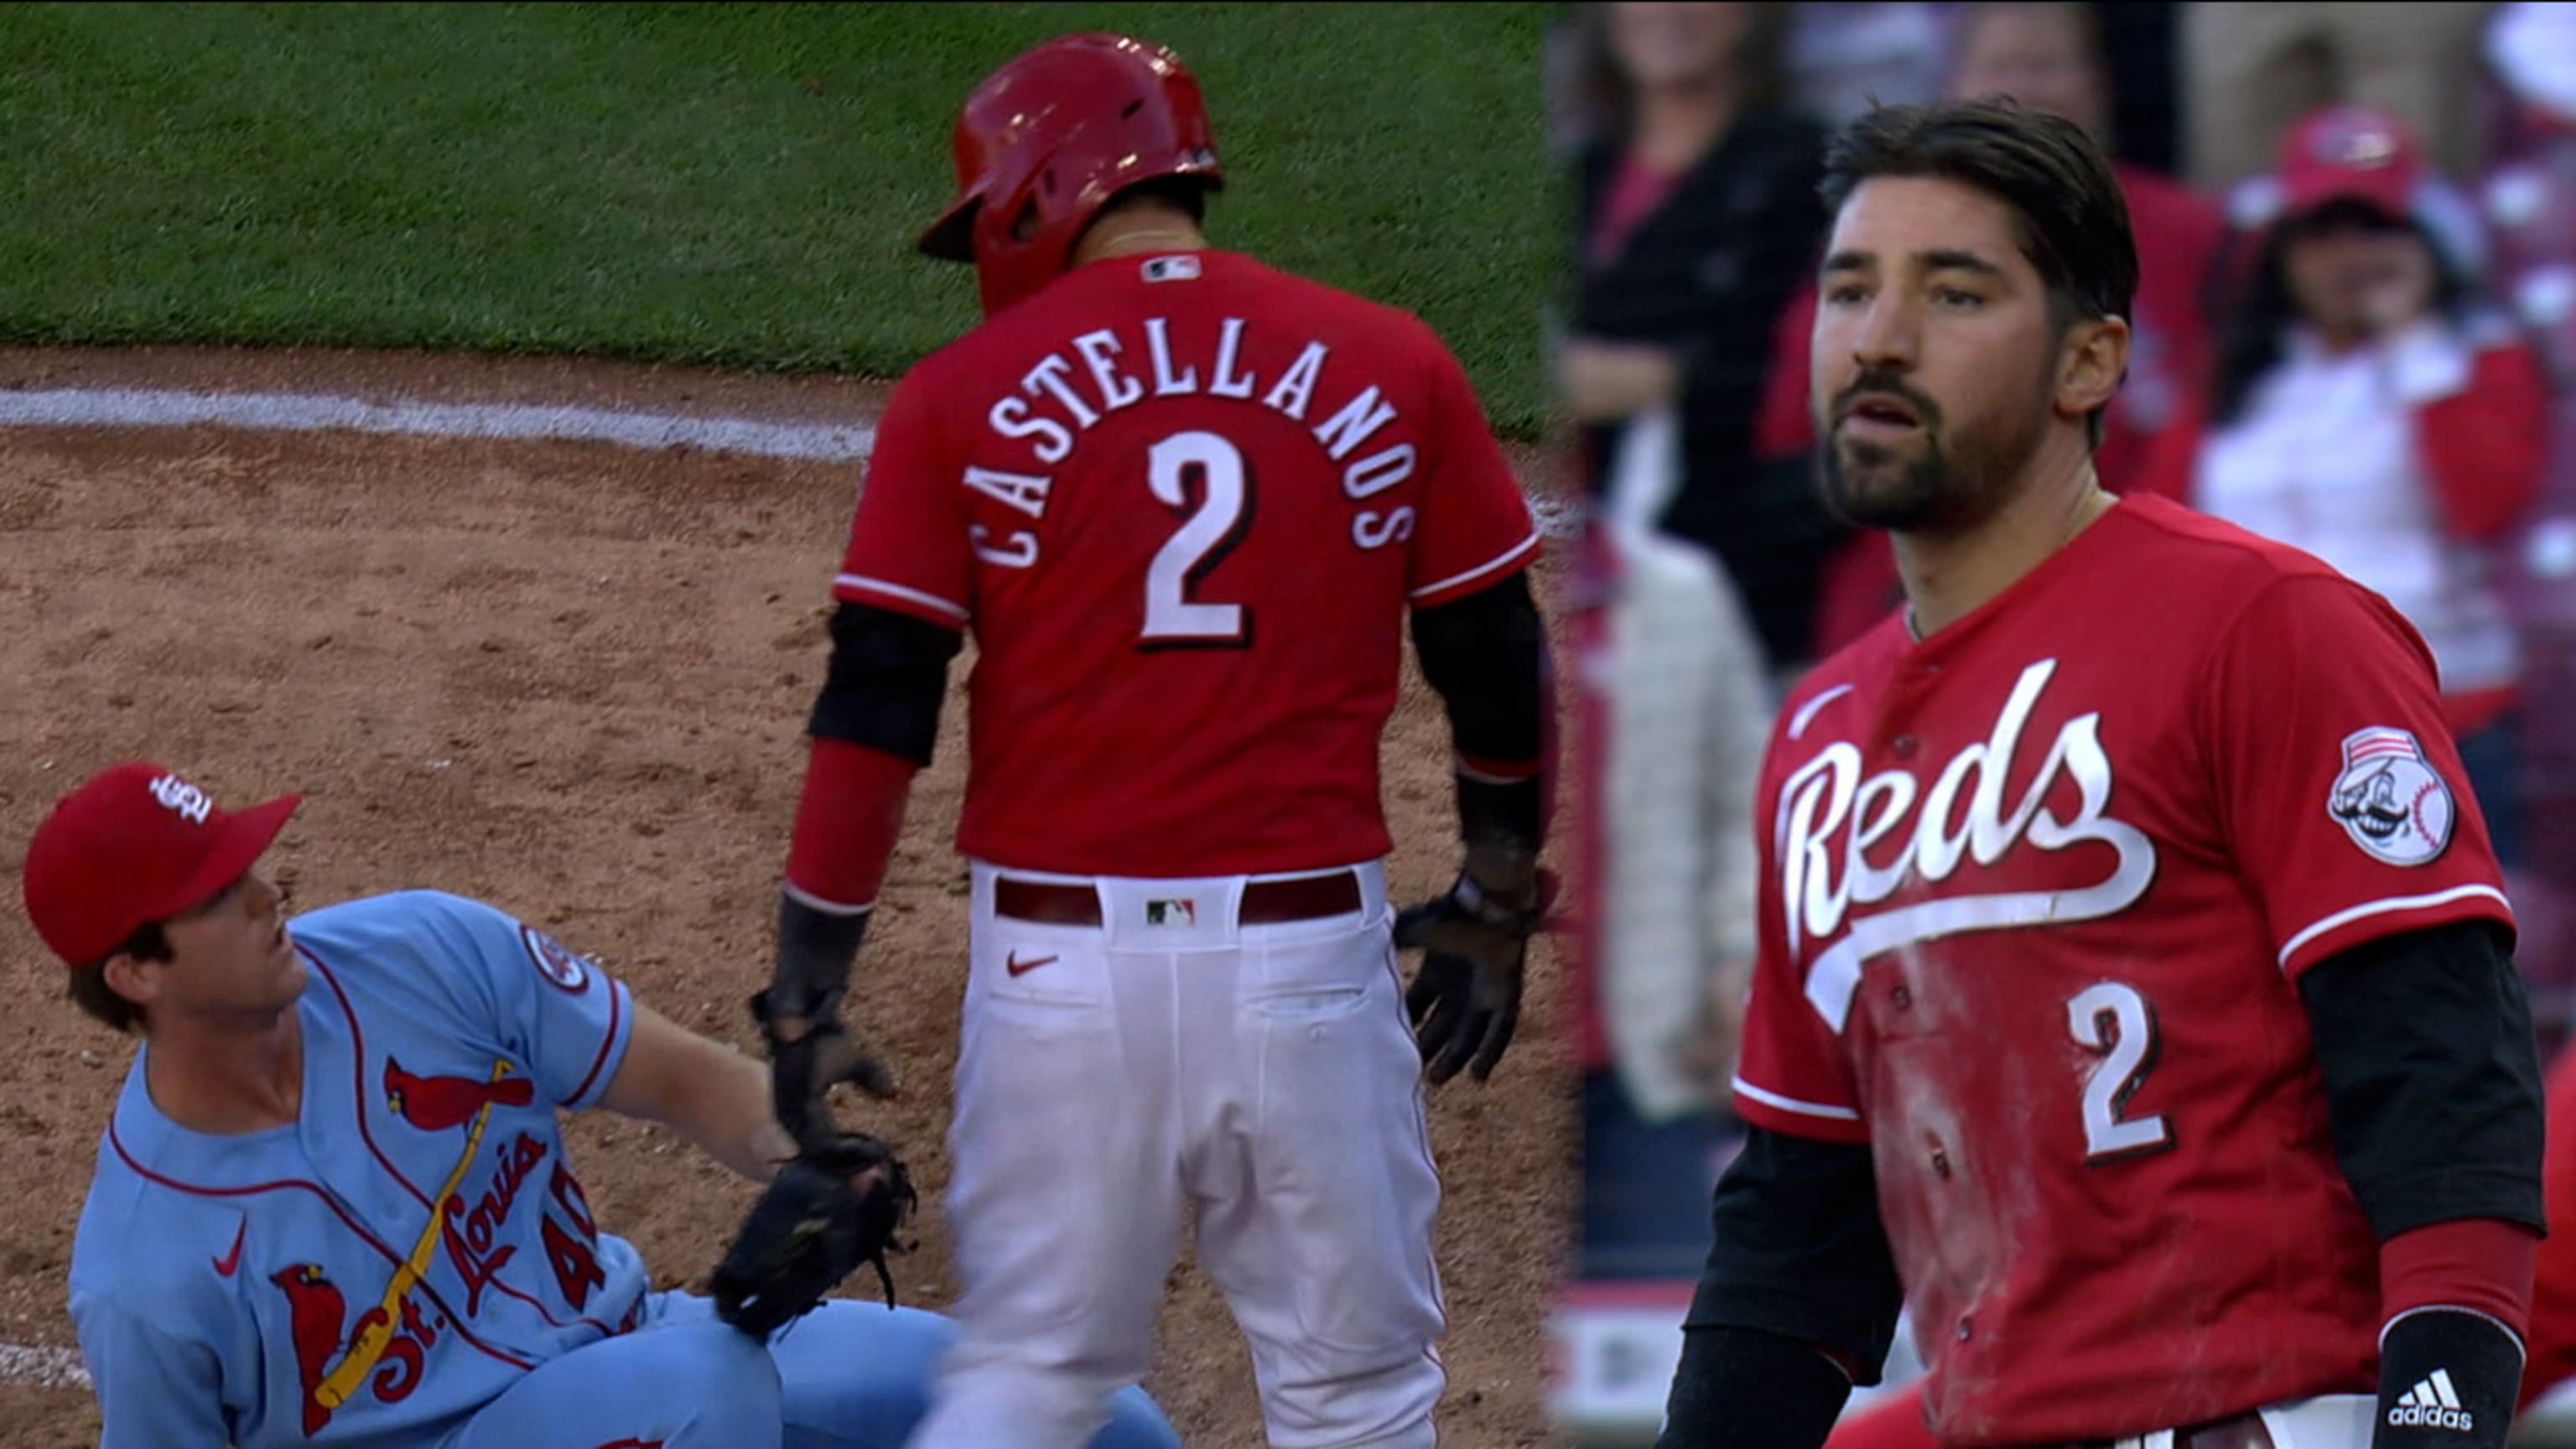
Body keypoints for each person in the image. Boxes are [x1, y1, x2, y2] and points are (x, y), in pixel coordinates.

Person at [1654, 96, 2547, 1449]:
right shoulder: (1817, 736)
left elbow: (2435, 1055)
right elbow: (1803, 1209)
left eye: (1954, 293)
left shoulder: (2261, 622)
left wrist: (2438, 1418)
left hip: (2258, 1415)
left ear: (2088, 363)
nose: (1879, 337)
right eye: (1851, 288)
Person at [749, 31, 1554, 1449]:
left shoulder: (960, 395)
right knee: (1355, 1396)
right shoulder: (1391, 360)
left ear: (1033, 192)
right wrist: (1494, 889)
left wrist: (809, 988)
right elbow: (1491, 654)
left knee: (1029, 1378)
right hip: (1305, 962)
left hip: (1058, 975)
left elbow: (878, 703)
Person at [19, 760, 1181, 1449]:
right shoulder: (149, 1273)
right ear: (139, 973)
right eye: (219, 894)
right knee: (706, 1390)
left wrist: (807, 1144)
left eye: (247, 861)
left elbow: (684, 1080)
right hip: (603, 1407)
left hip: (634, 1347)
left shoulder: (421, 953)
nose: (266, 890)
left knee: (1098, 1423)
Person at [2143, 102, 2551, 875]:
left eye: (2373, 229)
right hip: (2266, 730)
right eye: (2322, 234)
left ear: (2421, 242)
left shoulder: (2476, 360)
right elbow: (2159, 537)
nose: (2348, 256)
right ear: (2283, 249)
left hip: (2443, 717)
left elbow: (2485, 504)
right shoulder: (2233, 380)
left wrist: (2412, 343)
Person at [1786, 0, 2227, 660]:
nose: (2025, 90)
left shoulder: (2192, 235)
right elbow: (1804, 445)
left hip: (2134, 596)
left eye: (2048, 64)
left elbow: (2226, 421)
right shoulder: (1878, 242)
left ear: (2100, 86)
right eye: (1997, 67)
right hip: (1906, 612)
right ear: (1949, 89)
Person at [1557, 0, 1841, 682]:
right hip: (1591, 604)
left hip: (1753, 598)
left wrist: (1649, 380)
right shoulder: (1577, 178)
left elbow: (1809, 367)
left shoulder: (1804, 166)